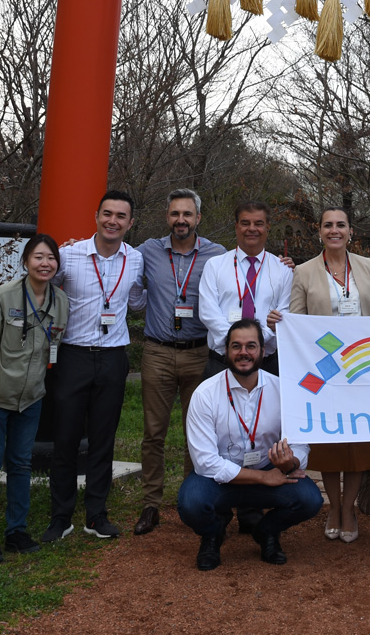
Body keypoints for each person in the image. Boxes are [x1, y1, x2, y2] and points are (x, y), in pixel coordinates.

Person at [41, 190, 145, 543]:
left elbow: (137, 299)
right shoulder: (68, 256)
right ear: (96, 216)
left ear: (130, 223)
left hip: (114, 356)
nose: (113, 221)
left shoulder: (136, 260)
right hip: (73, 355)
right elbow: (40, 286)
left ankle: (96, 515)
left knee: (103, 439)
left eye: (120, 216)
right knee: (66, 438)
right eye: (107, 214)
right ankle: (61, 516)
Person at [179, 319, 321, 570]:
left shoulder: (283, 390)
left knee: (310, 499)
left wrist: (292, 462)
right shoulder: (205, 393)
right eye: (236, 346)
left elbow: (301, 444)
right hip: (219, 478)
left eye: (251, 346)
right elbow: (204, 462)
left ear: (263, 352)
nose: (243, 352)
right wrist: (261, 478)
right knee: (191, 502)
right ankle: (212, 535)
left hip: (271, 471)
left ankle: (266, 532)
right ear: (226, 351)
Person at [130, 188, 228, 535]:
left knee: (198, 432)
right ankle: (151, 505)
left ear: (198, 218)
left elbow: (248, 274)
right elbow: (112, 262)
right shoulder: (147, 251)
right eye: (175, 214)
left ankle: (193, 500)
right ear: (167, 217)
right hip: (157, 351)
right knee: (153, 433)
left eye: (187, 214)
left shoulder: (218, 256)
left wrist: (283, 264)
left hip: (201, 352)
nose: (181, 220)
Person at [0, 233, 68, 563]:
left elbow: (55, 346)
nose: (45, 263)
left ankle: (16, 531)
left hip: (31, 399)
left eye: (51, 258)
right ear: (26, 262)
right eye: (38, 257)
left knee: (21, 465)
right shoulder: (5, 295)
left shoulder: (60, 302)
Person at [290, 206, 370, 542]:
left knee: (359, 442)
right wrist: (281, 323)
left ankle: (350, 507)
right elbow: (296, 322)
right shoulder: (303, 271)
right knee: (329, 442)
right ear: (319, 232)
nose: (334, 230)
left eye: (340, 225)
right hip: (324, 368)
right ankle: (333, 505)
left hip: (362, 367)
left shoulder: (368, 266)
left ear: (350, 231)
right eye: (328, 225)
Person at [199, 201, 293, 378]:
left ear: (267, 227)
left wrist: (256, 343)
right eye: (245, 223)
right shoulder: (215, 266)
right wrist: (235, 344)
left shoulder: (283, 270)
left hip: (267, 363)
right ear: (236, 227)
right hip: (222, 360)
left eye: (258, 223)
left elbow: (284, 312)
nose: (252, 229)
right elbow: (208, 313)